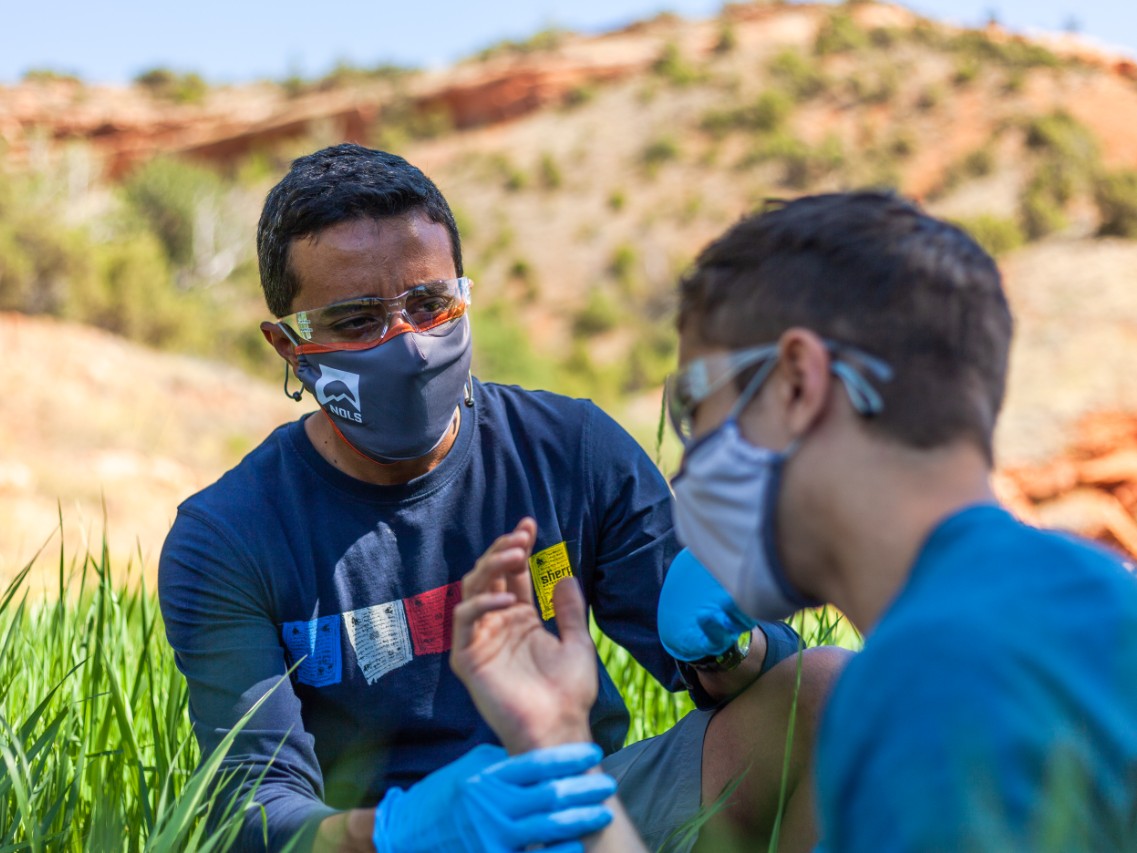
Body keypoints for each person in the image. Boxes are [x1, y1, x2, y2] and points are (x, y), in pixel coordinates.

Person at [157, 143, 848, 853]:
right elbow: (247, 811)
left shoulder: (569, 445)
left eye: (430, 304)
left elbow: (756, 690)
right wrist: (398, 830)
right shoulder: (229, 534)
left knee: (827, 692)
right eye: (359, 320)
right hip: (379, 841)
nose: (410, 344)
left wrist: (728, 643)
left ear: (464, 296)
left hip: (576, 806)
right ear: (288, 345)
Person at [649, 191, 1137, 848]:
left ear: (796, 383)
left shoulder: (931, 682)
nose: (692, 456)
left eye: (694, 405)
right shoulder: (1093, 593)